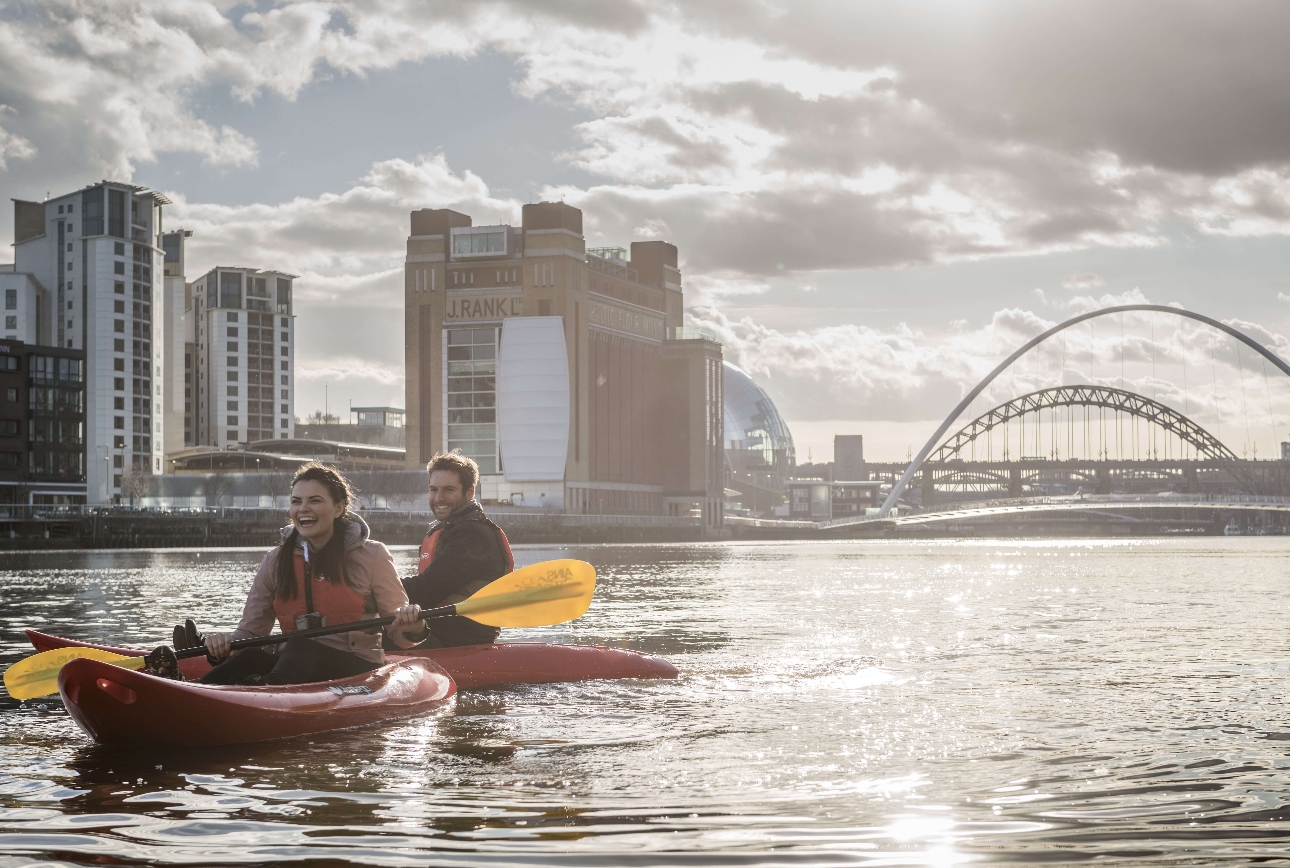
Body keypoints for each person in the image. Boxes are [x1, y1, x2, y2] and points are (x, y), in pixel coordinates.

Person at [196, 462, 428, 685]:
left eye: (314, 501)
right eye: (296, 501)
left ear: (338, 508)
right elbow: (251, 632)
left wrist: (415, 627)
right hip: (293, 663)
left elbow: (398, 634)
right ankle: (199, 687)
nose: (303, 508)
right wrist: (223, 644)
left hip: (356, 666)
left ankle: (267, 691)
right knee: (251, 658)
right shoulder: (274, 561)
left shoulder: (373, 555)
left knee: (301, 645)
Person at [401, 451, 514, 648]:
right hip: (434, 630)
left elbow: (428, 589)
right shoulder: (451, 529)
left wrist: (374, 589)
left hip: (458, 640)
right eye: (433, 489)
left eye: (449, 490)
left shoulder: (473, 535)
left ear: (469, 492)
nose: (439, 498)